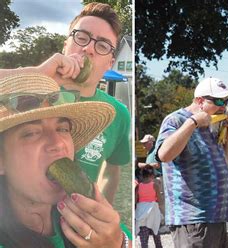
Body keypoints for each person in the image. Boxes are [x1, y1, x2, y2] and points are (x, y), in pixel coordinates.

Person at [0, 2, 131, 205]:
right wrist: (37, 74)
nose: (88, 49)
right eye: (81, 37)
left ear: (110, 64)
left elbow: (111, 172)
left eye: (103, 45)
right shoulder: (30, 96)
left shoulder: (118, 113)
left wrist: (100, 210)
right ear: (65, 45)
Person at [0, 73, 129, 247]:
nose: (58, 143)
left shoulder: (90, 216)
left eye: (62, 128)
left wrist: (119, 243)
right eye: (31, 133)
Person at [149, 77, 228, 247]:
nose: (223, 106)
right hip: (193, 219)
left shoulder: (213, 125)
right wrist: (193, 122)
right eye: (219, 100)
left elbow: (222, 164)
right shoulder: (176, 120)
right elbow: (164, 155)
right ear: (199, 101)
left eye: (226, 101)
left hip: (216, 217)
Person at [135, 165, 162, 248]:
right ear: (152, 175)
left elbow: (135, 201)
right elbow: (160, 200)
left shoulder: (138, 186)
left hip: (141, 212)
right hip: (153, 211)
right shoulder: (155, 185)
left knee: (144, 238)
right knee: (156, 233)